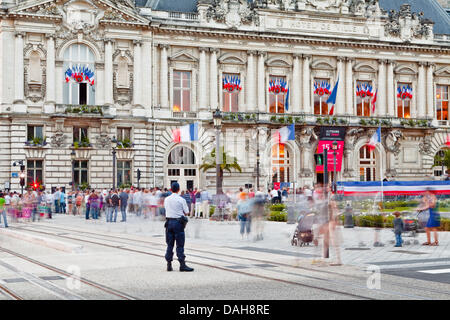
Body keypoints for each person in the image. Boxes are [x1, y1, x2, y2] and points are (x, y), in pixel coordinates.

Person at [164, 182, 194, 272]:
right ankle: (182, 264)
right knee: (180, 244)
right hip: (178, 223)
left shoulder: (167, 199)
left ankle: (169, 264)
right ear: (178, 189)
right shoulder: (181, 199)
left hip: (169, 222)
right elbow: (187, 212)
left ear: (171, 189)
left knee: (170, 244)